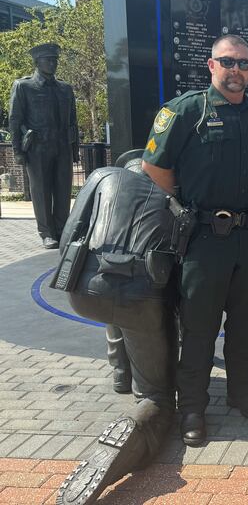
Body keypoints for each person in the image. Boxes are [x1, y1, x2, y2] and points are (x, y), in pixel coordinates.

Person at [142, 34, 248, 446]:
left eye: (245, 64)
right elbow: (154, 165)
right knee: (199, 328)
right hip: (203, 239)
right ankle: (193, 409)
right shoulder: (186, 111)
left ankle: (240, 392)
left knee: (244, 324)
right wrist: (186, 205)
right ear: (211, 64)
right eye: (228, 62)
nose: (237, 70)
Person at [55, 159, 179, 505]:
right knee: (157, 397)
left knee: (115, 294)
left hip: (86, 290)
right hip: (141, 296)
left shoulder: (102, 176)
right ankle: (130, 435)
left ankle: (121, 374)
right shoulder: (171, 193)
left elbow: (70, 232)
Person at [9, 43, 79, 249]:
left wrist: (74, 149)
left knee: (63, 190)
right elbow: (15, 120)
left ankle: (62, 228)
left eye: (55, 59)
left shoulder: (65, 89)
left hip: (62, 147)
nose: (53, 63)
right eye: (48, 59)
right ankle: (47, 232)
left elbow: (73, 122)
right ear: (37, 62)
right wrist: (17, 152)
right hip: (38, 147)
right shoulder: (24, 86)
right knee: (41, 191)